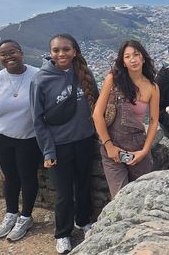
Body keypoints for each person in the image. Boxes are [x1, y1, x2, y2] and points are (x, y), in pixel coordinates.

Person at [30, 34, 99, 254]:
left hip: (84, 140)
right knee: (63, 193)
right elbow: (37, 120)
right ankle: (62, 233)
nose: (61, 54)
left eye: (66, 49)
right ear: (50, 53)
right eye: (56, 50)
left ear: (75, 51)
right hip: (59, 145)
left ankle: (83, 220)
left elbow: (96, 106)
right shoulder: (41, 80)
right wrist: (48, 150)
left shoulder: (84, 74)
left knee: (83, 184)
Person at [0, 40, 41, 242]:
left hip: (30, 139)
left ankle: (25, 217)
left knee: (28, 177)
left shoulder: (38, 76)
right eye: (3, 54)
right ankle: (11, 213)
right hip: (3, 138)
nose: (9, 56)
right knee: (10, 178)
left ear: (21, 53)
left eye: (12, 52)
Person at [92, 40, 159, 198]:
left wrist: (144, 151)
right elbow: (97, 114)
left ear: (143, 58)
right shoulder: (113, 80)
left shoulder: (152, 87)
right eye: (127, 56)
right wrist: (109, 146)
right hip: (112, 146)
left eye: (136, 55)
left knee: (142, 195)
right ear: (123, 61)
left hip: (137, 145)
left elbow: (154, 120)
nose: (133, 59)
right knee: (120, 197)